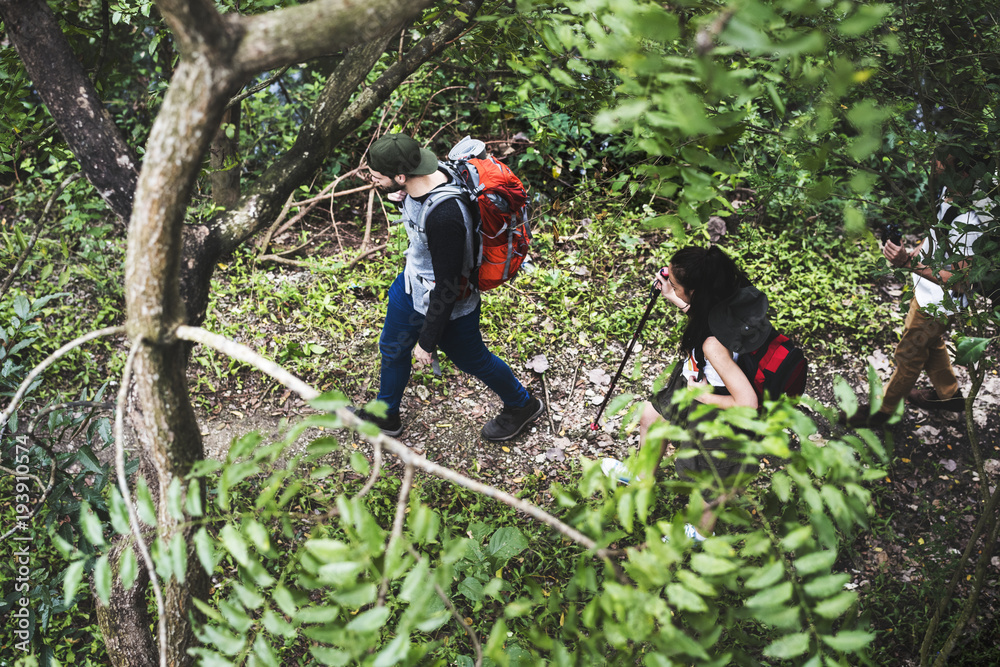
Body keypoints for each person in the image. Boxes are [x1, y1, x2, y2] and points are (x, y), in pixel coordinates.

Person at [353, 133, 544, 440]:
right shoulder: (421, 179)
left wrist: (427, 341)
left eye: (377, 177)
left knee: (472, 359)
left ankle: (523, 405)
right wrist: (403, 198)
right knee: (392, 347)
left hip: (449, 305)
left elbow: (449, 286)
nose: (372, 181)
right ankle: (386, 416)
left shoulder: (445, 217)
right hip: (412, 286)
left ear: (401, 175)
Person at [601, 245, 769, 540]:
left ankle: (701, 534)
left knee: (710, 474)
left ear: (697, 293)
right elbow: (707, 316)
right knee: (653, 418)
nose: (671, 285)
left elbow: (748, 402)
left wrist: (703, 396)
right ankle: (643, 479)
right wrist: (674, 296)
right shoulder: (726, 296)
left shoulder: (713, 346)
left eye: (677, 285)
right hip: (697, 382)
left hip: (721, 408)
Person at [846, 149, 987, 428]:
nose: (933, 164)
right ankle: (950, 396)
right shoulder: (951, 188)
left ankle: (883, 413)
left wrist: (909, 264)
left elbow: (959, 279)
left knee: (909, 355)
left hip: (939, 302)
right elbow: (937, 231)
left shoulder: (974, 220)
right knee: (930, 342)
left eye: (941, 160)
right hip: (926, 289)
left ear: (964, 170)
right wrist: (913, 255)